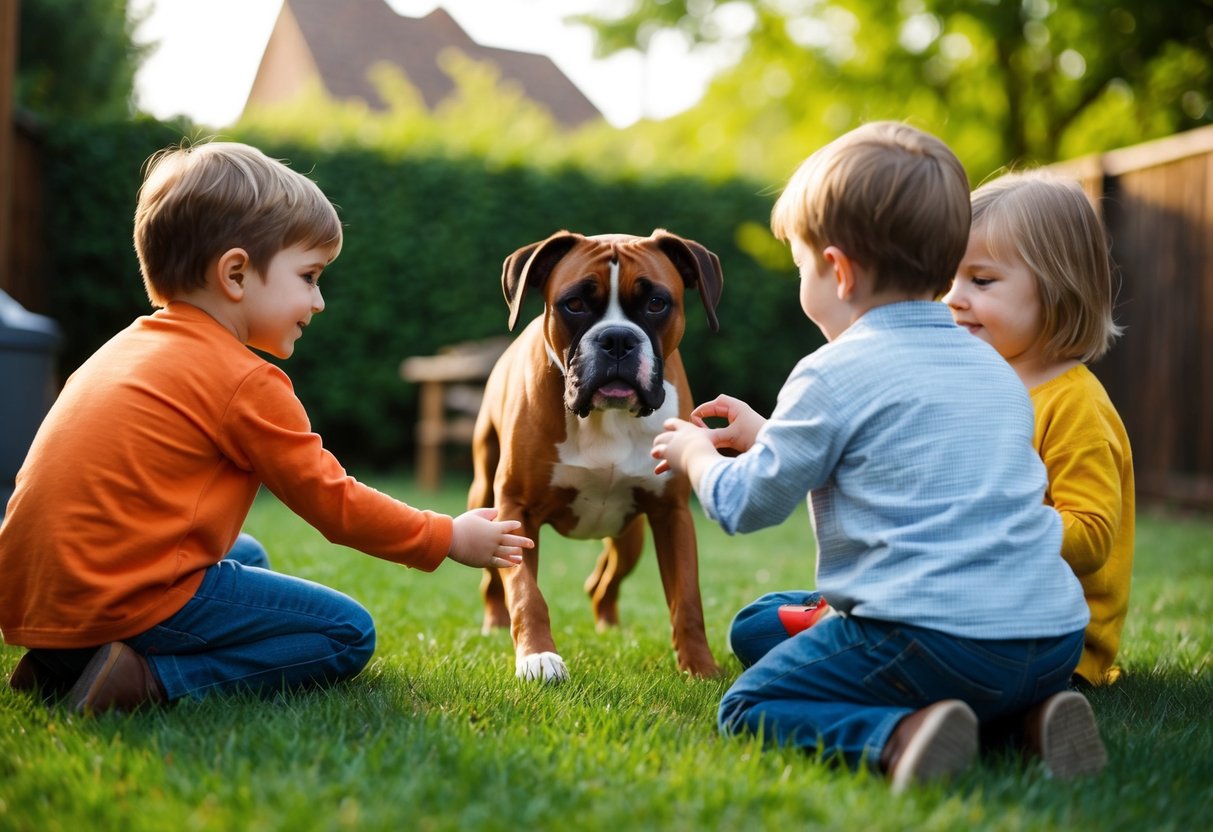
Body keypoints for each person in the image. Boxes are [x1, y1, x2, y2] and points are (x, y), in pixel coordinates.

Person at [0, 141, 532, 716]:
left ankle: (66, 663)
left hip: (42, 594)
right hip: (119, 595)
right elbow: (334, 502)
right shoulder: (244, 381)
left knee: (244, 552)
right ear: (235, 273)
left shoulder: (123, 349)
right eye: (309, 276)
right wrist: (446, 537)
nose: (319, 301)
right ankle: (140, 678)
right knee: (346, 633)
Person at [650, 122, 1105, 791]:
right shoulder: (991, 367)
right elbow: (894, 452)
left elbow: (744, 504)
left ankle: (900, 735)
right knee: (765, 626)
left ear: (836, 269)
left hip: (933, 640)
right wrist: (771, 436)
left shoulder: (831, 371)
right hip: (1052, 639)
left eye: (801, 266)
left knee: (749, 701)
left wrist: (693, 454)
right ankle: (1032, 722)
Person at [943, 170, 1135, 687]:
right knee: (761, 625)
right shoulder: (977, 385)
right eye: (949, 279)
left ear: (1056, 290)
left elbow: (1093, 535)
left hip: (1052, 637)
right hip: (966, 610)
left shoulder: (1074, 405)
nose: (953, 298)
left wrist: (991, 527)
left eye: (980, 281)